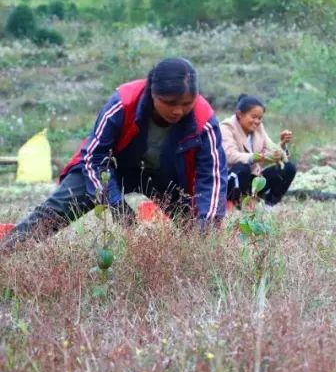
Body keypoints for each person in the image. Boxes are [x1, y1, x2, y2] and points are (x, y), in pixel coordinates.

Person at [1, 58, 227, 248]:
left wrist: (207, 224)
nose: (178, 110)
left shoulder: (204, 119)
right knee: (57, 209)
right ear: (152, 92)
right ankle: (7, 251)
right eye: (169, 102)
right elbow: (93, 158)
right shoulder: (123, 101)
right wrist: (115, 203)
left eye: (187, 103)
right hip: (111, 168)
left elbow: (213, 176)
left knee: (200, 232)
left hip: (167, 178)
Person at [220, 94, 296, 206]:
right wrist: (258, 157)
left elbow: (269, 150)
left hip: (252, 179)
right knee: (242, 168)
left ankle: (269, 206)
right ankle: (232, 206)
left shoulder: (258, 128)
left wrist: (282, 145)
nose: (257, 121)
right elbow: (230, 155)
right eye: (253, 117)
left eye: (260, 118)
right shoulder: (226, 127)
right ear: (240, 114)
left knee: (288, 168)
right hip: (231, 180)